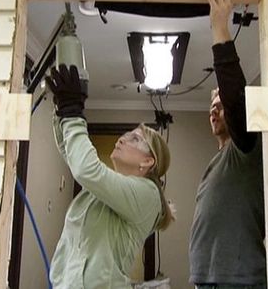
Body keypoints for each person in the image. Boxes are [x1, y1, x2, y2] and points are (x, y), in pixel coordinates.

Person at [46, 64, 174, 289]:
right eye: (125, 135)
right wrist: (61, 110)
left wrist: (72, 111)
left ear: (148, 161)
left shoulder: (148, 195)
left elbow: (85, 169)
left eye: (134, 139)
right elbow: (73, 155)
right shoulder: (100, 193)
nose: (122, 139)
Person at [189, 0, 266, 288]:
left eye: (219, 105)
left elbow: (236, 100)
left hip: (237, 282)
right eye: (211, 105)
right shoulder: (217, 162)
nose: (214, 109)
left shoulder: (246, 149)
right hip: (208, 281)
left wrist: (220, 27)